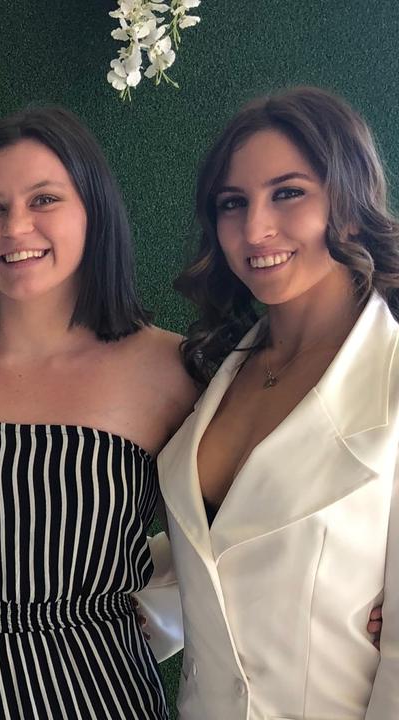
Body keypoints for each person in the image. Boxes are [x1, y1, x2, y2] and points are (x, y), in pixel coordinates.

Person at [0, 107, 196, 719]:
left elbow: (237, 535)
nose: (16, 227)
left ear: (94, 211)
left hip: (96, 691)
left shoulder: (168, 366)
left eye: (45, 199)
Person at [161, 86, 398, 719]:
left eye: (287, 192)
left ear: (347, 202)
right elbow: (210, 568)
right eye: (232, 203)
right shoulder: (219, 370)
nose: (255, 228)